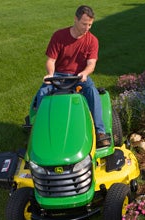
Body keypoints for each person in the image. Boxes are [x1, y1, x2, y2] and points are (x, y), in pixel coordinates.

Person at [36, 5, 110, 148]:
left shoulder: (92, 40)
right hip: (58, 75)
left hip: (79, 76)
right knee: (42, 93)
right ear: (75, 19)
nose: (87, 28)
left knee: (93, 92)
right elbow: (51, 60)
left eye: (90, 25)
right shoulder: (59, 36)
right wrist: (50, 74)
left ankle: (100, 132)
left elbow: (91, 64)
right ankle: (39, 130)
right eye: (84, 24)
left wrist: (85, 73)